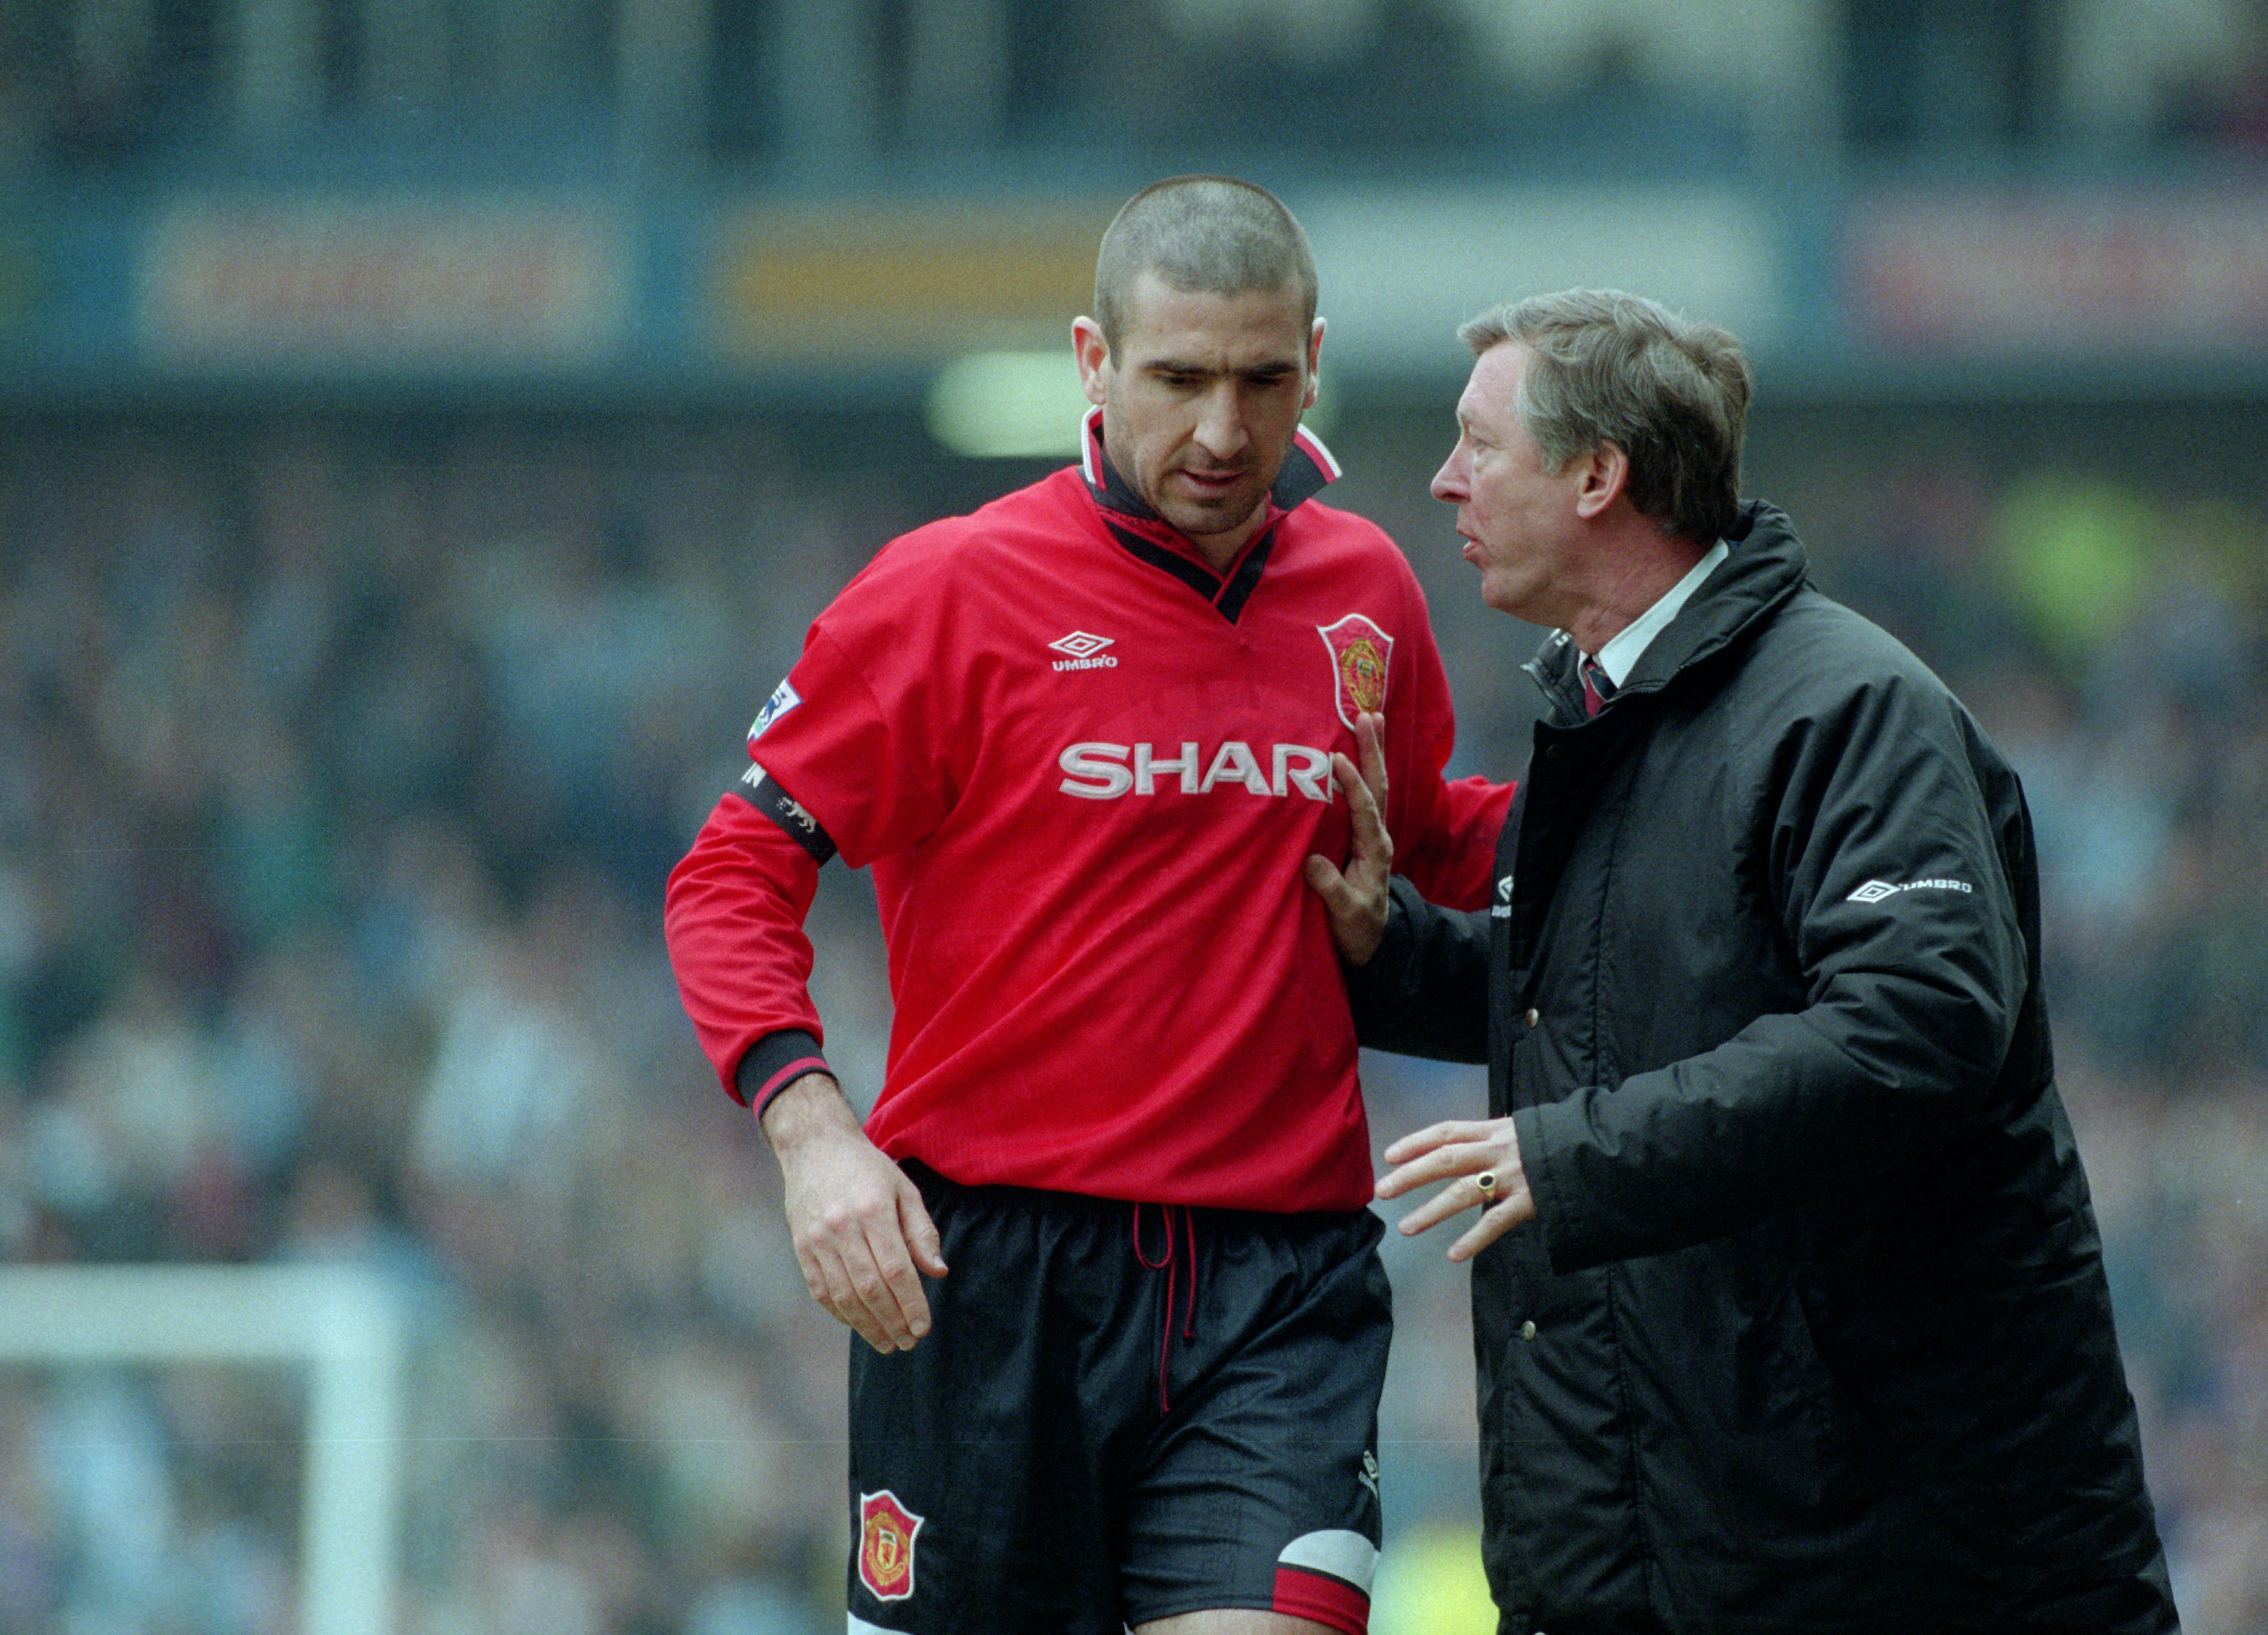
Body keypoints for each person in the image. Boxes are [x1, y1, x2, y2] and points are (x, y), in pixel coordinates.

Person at [663, 176, 1508, 1635]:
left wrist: (1688, 821)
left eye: (1260, 380)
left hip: (1277, 1287)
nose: (1223, 433)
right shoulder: (946, 593)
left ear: (1313, 359)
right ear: (1091, 361)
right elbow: (732, 873)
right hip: (988, 1282)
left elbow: (1430, 841)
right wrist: (812, 1139)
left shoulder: (1365, 586)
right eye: (1178, 380)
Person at [1309, 289, 2180, 1633]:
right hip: (1697, 1546)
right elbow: (1623, 1007)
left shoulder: (1848, 711)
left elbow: (1914, 1028)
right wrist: (1392, 955)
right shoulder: (1604, 711)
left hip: (1897, 1561)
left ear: (1599, 476)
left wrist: (1566, 1157)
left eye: (1478, 445)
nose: (1441, 481)